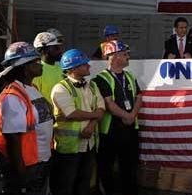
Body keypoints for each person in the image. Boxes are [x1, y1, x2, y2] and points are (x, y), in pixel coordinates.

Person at [0, 42, 53, 195]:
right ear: (25, 67)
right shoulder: (12, 97)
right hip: (26, 165)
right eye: (36, 62)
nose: (41, 65)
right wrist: (21, 173)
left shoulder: (32, 89)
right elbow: (12, 138)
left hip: (40, 160)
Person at [50, 49, 105, 195]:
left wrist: (91, 125)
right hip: (69, 147)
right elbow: (72, 113)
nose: (89, 66)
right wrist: (95, 116)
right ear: (73, 68)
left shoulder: (92, 86)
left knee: (84, 183)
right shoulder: (60, 88)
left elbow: (101, 108)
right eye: (84, 64)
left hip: (89, 144)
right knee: (66, 185)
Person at [92, 41, 143, 195]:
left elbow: (139, 96)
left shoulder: (129, 75)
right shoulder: (100, 79)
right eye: (124, 54)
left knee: (130, 166)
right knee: (106, 167)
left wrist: (132, 115)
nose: (129, 57)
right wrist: (127, 115)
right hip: (110, 131)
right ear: (113, 57)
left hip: (130, 129)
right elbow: (108, 103)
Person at [32, 31, 64, 104]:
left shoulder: (62, 68)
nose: (60, 50)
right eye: (55, 48)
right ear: (43, 50)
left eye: (59, 47)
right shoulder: (37, 72)